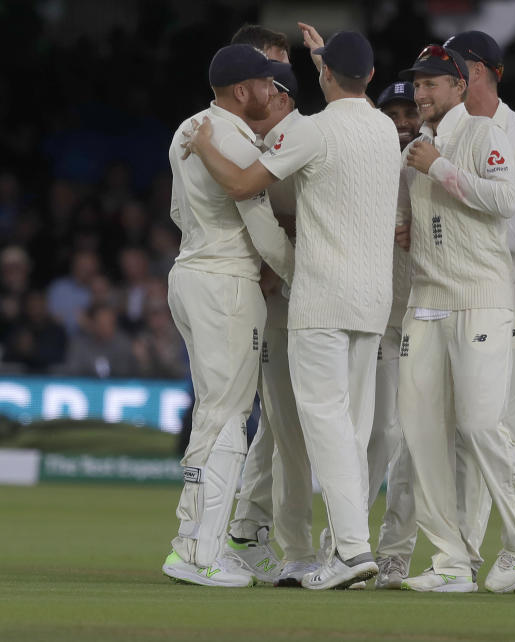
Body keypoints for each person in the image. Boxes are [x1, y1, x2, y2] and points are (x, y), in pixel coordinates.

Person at [182, 29, 401, 590]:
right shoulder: (382, 126)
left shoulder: (311, 130)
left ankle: (348, 552)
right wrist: (328, 56)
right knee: (353, 428)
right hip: (374, 300)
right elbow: (351, 86)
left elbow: (241, 183)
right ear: (371, 77)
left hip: (321, 297)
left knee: (320, 424)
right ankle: (348, 548)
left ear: (325, 77)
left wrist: (205, 143)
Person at [394, 44, 515, 593]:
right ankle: (452, 561)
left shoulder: (485, 135)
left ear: (460, 86)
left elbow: (503, 202)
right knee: (420, 433)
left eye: (433, 83)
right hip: (425, 303)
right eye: (417, 85)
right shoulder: (416, 148)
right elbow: (412, 222)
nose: (422, 94)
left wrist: (440, 168)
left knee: (483, 426)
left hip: (481, 299)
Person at [161, 43, 295, 588]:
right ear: (244, 90)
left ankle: (195, 540)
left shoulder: (188, 128)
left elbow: (175, 208)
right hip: (227, 284)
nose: (271, 90)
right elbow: (262, 228)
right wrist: (299, 270)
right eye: (265, 82)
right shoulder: (238, 141)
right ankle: (197, 551)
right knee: (226, 417)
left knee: (214, 412)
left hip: (189, 272)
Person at [442, 30, 515, 589]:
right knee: (471, 430)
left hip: (512, 295)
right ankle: (464, 554)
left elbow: (509, 232)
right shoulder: (449, 128)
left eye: (456, 68)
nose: (446, 78)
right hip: (457, 295)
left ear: (483, 72)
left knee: (506, 425)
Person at [213, 28, 315, 589]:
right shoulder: (223, 135)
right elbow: (232, 207)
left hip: (286, 291)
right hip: (246, 290)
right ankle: (225, 538)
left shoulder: (287, 134)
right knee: (255, 420)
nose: (275, 86)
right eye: (267, 74)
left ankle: (243, 532)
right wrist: (276, 255)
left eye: (283, 75)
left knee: (278, 427)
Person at [367, 80, 420, 590]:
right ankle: (348, 544)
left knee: (410, 442)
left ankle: (396, 552)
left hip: (424, 317)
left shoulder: (435, 156)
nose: (402, 121)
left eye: (410, 110)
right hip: (376, 317)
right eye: (393, 112)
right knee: (375, 433)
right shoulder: (369, 159)